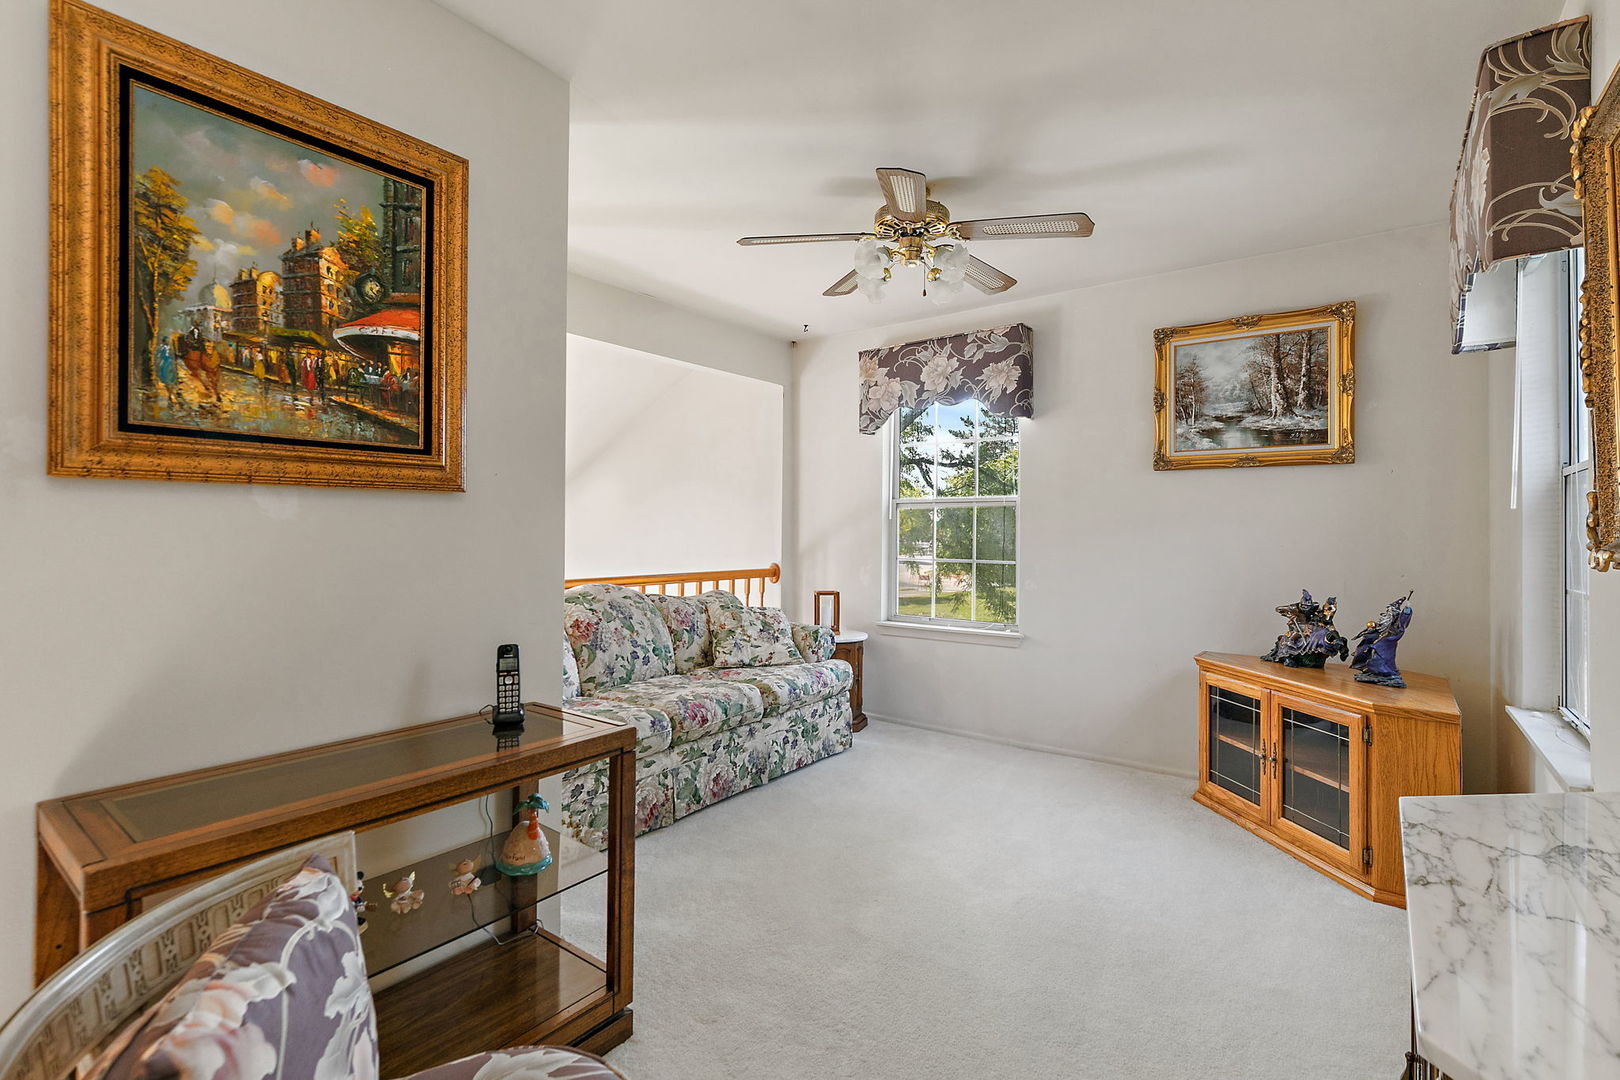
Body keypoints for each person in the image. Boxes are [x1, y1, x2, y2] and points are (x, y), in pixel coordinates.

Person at [156, 337, 180, 406]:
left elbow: (172, 354)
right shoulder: (161, 347)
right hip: (164, 362)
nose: (167, 342)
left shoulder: (169, 347)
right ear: (163, 341)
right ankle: (169, 393)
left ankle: (171, 392)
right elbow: (159, 355)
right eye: (166, 341)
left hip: (170, 362)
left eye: (167, 341)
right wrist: (159, 361)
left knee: (172, 376)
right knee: (165, 377)